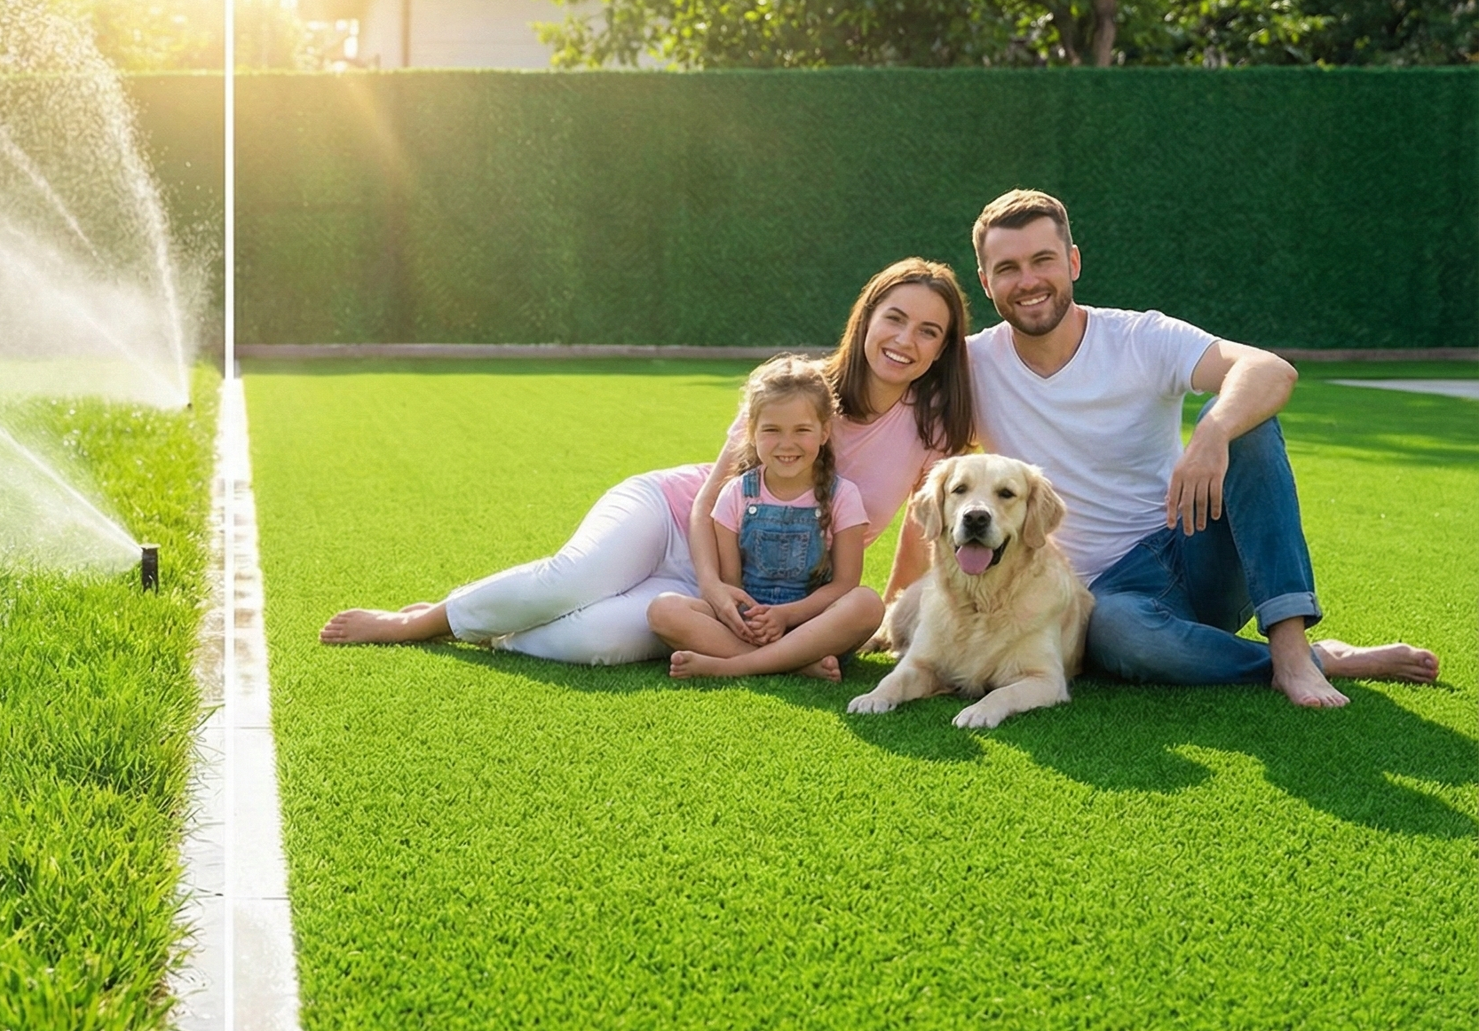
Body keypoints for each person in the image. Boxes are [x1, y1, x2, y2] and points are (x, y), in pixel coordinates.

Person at [318, 258, 975, 674]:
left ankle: (492, 624)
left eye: (928, 331)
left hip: (757, 592)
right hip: (674, 517)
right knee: (566, 582)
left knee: (589, 645)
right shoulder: (799, 388)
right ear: (866, 320)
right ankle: (423, 620)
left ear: (944, 347)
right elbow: (710, 496)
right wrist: (716, 588)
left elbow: (921, 533)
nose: (905, 341)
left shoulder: (932, 427)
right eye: (895, 319)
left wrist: (889, 614)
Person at [960, 188, 1437, 707]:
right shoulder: (971, 366)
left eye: (1042, 260)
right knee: (1118, 636)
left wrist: (1211, 433)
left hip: (1191, 544)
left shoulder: (1139, 336)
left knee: (1243, 420)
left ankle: (1293, 651)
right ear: (986, 282)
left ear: (1073, 262)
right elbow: (930, 470)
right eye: (1007, 268)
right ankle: (1321, 660)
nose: (1028, 281)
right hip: (1106, 600)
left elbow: (1270, 370)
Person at [646, 358, 879, 679]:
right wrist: (749, 619)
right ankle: (797, 665)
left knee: (867, 603)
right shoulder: (736, 493)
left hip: (811, 624)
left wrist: (784, 616)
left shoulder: (843, 496)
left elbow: (844, 585)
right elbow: (732, 582)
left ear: (824, 431)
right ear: (752, 431)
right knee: (664, 610)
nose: (787, 444)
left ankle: (733, 666)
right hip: (749, 621)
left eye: (802, 430)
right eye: (772, 430)